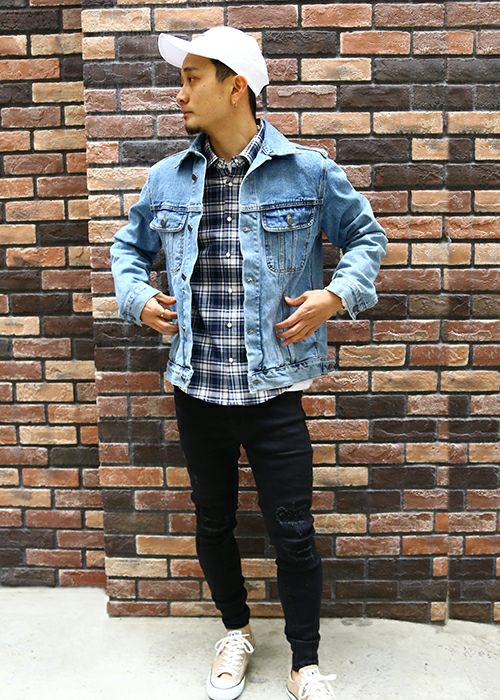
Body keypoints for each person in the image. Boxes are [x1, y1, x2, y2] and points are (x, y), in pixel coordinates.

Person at [110, 25, 387, 700]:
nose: (180, 94)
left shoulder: (309, 172)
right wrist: (137, 297)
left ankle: (304, 662)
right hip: (197, 388)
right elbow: (127, 249)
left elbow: (366, 237)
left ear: (236, 87)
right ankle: (235, 631)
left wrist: (336, 295)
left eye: (191, 79)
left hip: (274, 393)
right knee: (213, 522)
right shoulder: (167, 179)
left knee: (293, 531)